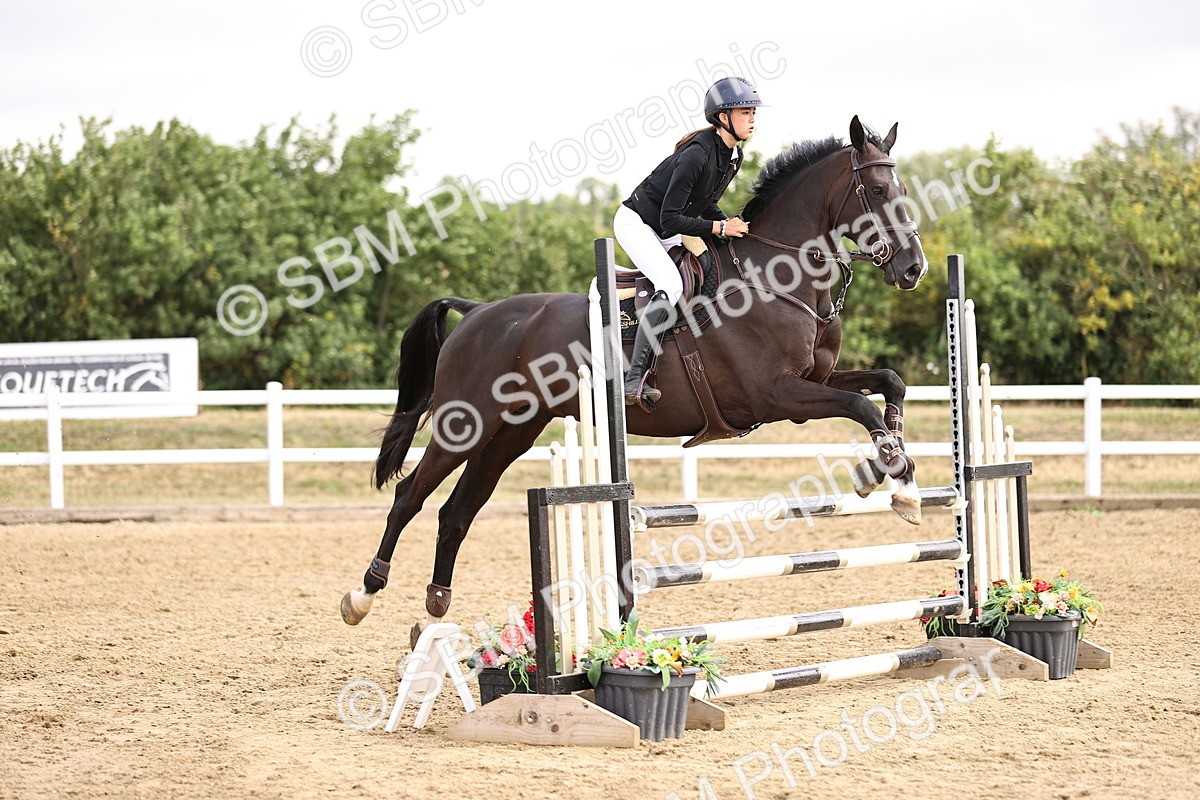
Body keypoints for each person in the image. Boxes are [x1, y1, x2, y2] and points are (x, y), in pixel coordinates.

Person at [614, 76, 761, 410]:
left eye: (753, 112)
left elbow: (705, 203)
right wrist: (721, 227)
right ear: (723, 117)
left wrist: (732, 227)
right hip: (638, 224)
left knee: (710, 267)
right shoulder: (697, 155)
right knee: (671, 283)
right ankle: (633, 378)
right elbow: (670, 218)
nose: (753, 119)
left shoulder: (732, 155)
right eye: (745, 112)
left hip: (666, 227)